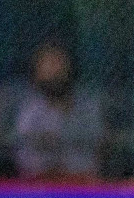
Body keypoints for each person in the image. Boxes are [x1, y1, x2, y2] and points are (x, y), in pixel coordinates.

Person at [14, 43, 103, 180]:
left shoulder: (87, 105)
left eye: (58, 63)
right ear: (37, 70)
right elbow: (24, 145)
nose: (55, 72)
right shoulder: (28, 106)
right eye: (48, 64)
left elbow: (98, 142)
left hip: (81, 180)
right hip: (38, 180)